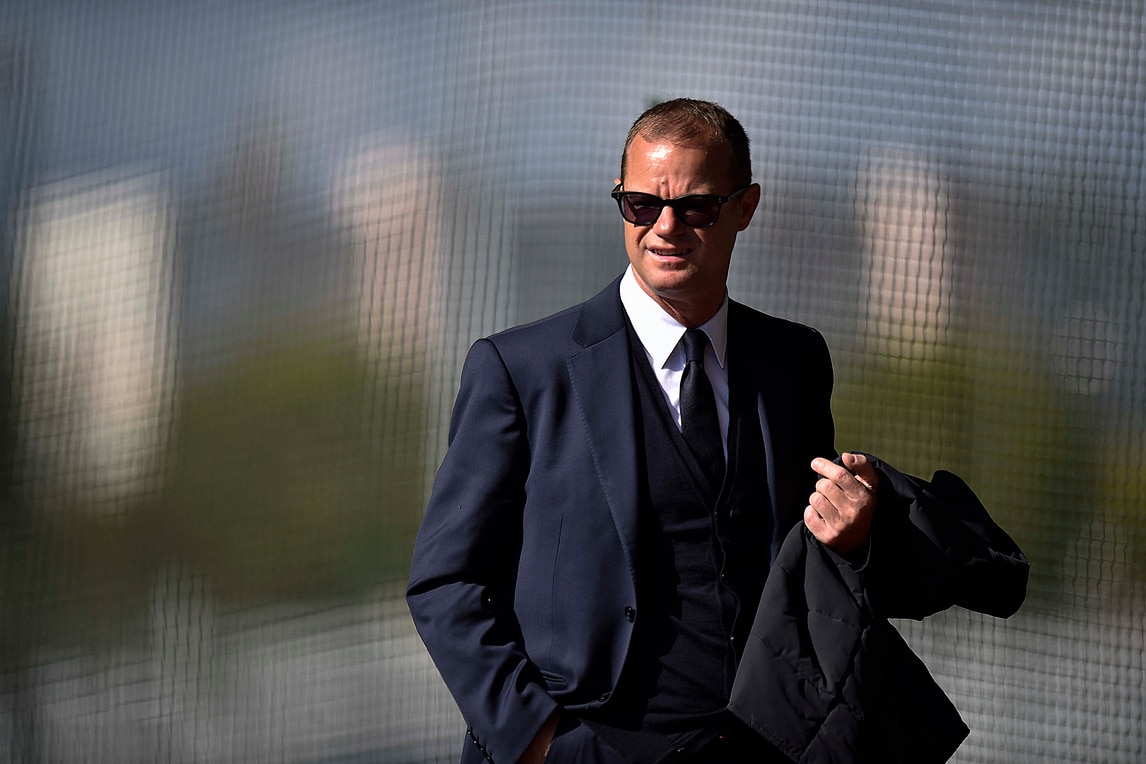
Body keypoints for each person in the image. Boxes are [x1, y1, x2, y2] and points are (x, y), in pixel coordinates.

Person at [407, 99, 1027, 764]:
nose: (665, 227)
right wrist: (541, 743)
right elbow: (445, 583)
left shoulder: (794, 362)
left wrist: (854, 538)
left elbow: (797, 555)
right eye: (642, 204)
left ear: (745, 207)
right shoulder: (521, 370)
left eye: (696, 207)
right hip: (588, 746)